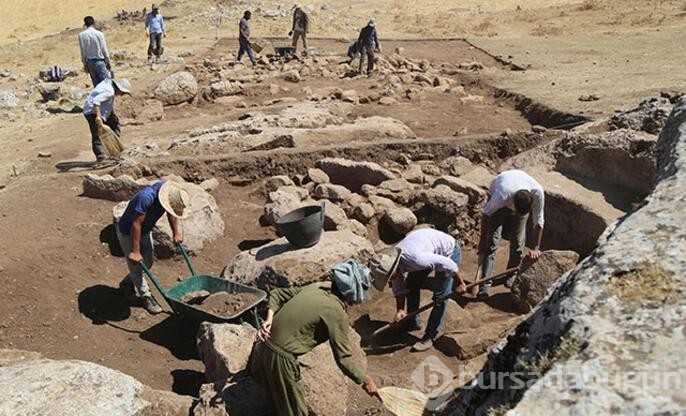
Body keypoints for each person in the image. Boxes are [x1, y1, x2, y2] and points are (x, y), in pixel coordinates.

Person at [251, 259, 381, 415]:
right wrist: (366, 380)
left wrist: (269, 319)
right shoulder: (336, 312)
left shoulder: (316, 288)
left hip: (265, 345)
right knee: (296, 411)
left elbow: (277, 294)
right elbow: (344, 359)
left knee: (281, 406)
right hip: (281, 359)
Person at [369, 228, 467, 352]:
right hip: (427, 249)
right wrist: (400, 310)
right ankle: (412, 322)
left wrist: (460, 283)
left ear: (396, 268)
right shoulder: (391, 262)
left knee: (440, 297)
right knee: (411, 284)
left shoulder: (416, 259)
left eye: (391, 276)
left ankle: (431, 336)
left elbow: (448, 264)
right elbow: (399, 287)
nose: (391, 279)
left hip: (448, 253)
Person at [117, 180, 191, 314]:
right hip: (128, 232)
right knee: (136, 266)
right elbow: (136, 224)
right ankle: (145, 295)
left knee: (148, 262)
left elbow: (171, 213)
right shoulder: (146, 197)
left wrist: (176, 233)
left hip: (145, 230)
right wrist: (135, 251)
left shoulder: (170, 194)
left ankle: (127, 283)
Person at [476, 169, 545, 299]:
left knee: (518, 242)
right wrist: (482, 241)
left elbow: (539, 221)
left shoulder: (537, 193)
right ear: (512, 202)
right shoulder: (502, 195)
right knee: (491, 243)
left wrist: (536, 247)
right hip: (499, 195)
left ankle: (511, 274)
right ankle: (484, 285)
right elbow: (486, 214)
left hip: (517, 198)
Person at [82, 78, 131, 163]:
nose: (122, 95)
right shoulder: (109, 92)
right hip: (92, 111)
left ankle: (113, 149)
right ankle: (101, 157)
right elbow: (96, 101)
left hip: (100, 111)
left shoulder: (109, 85)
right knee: (97, 133)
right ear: (119, 89)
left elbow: (106, 102)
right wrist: (98, 117)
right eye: (123, 93)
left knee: (115, 125)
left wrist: (112, 114)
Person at [78, 16, 111, 86]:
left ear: (85, 24)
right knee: (106, 85)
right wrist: (108, 61)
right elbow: (104, 49)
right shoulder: (99, 34)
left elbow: (82, 51)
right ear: (93, 23)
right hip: (100, 61)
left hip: (90, 62)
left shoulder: (81, 35)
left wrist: (84, 64)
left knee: (97, 87)